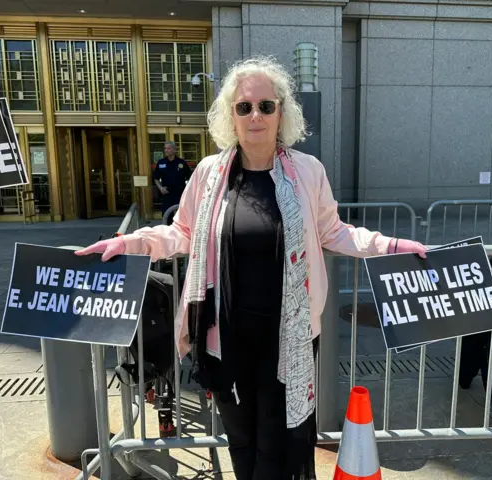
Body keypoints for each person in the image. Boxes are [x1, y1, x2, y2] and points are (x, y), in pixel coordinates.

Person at [75, 55, 427, 480]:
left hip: (289, 339)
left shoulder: (307, 172)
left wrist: (390, 245)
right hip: (225, 338)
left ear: (282, 113)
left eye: (266, 105)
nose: (255, 115)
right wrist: (129, 243)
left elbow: (334, 232)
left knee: (275, 448)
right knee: (241, 442)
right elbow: (182, 231)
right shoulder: (209, 173)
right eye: (244, 107)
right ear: (232, 116)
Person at [152, 141, 192, 224]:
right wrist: (160, 188)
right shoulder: (161, 162)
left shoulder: (182, 163)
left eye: (168, 148)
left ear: (174, 150)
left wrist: (187, 191)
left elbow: (190, 178)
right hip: (166, 194)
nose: (166, 150)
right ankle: (167, 233)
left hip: (179, 194)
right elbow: (155, 178)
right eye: (165, 148)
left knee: (181, 216)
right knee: (167, 216)